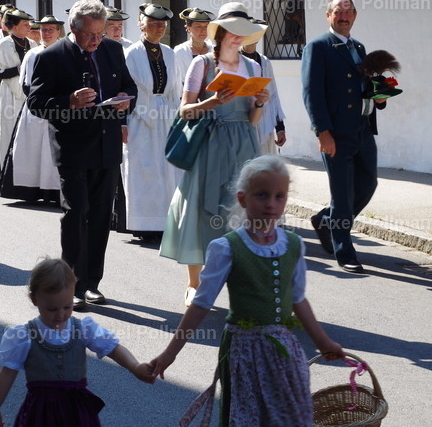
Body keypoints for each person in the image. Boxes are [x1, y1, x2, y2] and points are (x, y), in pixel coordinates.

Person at [148, 156, 345, 426]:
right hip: (244, 351)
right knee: (247, 417)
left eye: (279, 196)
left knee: (290, 417)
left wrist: (323, 342)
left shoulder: (293, 244)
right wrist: (170, 352)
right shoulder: (226, 247)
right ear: (243, 199)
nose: (271, 204)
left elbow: (298, 299)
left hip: (284, 352)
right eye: (262, 195)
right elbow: (201, 304)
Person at [27, 0, 136, 310]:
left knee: (102, 216)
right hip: (72, 148)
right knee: (77, 214)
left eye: (101, 34)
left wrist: (126, 101)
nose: (96, 41)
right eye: (90, 35)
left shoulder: (113, 50)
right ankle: (71, 283)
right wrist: (69, 101)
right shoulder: (51, 56)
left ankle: (92, 284)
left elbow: (129, 87)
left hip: (107, 146)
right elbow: (36, 103)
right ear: (73, 29)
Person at [159, 2, 269, 304]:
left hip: (244, 144)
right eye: (233, 31)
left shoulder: (253, 67)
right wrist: (214, 102)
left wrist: (259, 102)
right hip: (209, 143)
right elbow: (184, 110)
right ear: (219, 32)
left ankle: (240, 284)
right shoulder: (202, 64)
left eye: (243, 33)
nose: (238, 37)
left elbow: (253, 121)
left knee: (240, 213)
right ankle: (195, 283)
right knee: (201, 210)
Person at [0, 258, 153, 427]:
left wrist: (135, 366)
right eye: (52, 309)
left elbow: (113, 348)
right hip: (40, 414)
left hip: (77, 413)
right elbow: (8, 373)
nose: (60, 315)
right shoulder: (24, 336)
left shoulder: (83, 329)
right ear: (34, 299)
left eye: (67, 307)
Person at [302, 0, 387, 274]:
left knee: (368, 184)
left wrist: (380, 95)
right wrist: (322, 132)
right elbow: (312, 93)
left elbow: (363, 85)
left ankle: (326, 220)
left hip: (363, 129)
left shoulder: (359, 47)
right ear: (328, 16)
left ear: (355, 16)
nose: (344, 16)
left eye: (348, 11)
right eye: (338, 11)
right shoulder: (318, 47)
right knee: (342, 194)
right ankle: (344, 250)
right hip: (336, 133)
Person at [120, 4, 179, 242]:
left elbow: (176, 90)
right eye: (153, 23)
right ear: (141, 24)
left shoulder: (170, 53)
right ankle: (143, 224)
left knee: (167, 171)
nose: (159, 28)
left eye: (162, 24)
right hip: (140, 118)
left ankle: (166, 222)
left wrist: (178, 119)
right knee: (143, 170)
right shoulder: (131, 53)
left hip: (166, 117)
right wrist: (123, 121)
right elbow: (124, 90)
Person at [0, 15, 64, 203]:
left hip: (60, 108)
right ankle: (31, 191)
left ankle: (55, 192)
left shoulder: (66, 52)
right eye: (43, 30)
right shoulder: (32, 54)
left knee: (55, 151)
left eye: (51, 29)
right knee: (32, 150)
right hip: (35, 109)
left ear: (58, 31)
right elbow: (25, 82)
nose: (47, 33)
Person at [0, 8, 37, 178]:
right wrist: (18, 68)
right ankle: (8, 171)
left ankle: (26, 170)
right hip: (8, 92)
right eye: (25, 24)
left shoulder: (32, 44)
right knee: (8, 130)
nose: (29, 27)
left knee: (27, 131)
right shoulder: (5, 44)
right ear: (14, 27)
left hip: (27, 94)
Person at [241, 20, 287, 155]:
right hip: (242, 124)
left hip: (263, 125)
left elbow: (273, 96)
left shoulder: (265, 62)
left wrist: (280, 128)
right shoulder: (235, 60)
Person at [173, 7, 215, 86]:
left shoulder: (213, 49)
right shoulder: (180, 51)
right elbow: (177, 81)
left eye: (206, 26)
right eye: (198, 26)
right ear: (189, 28)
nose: (203, 30)